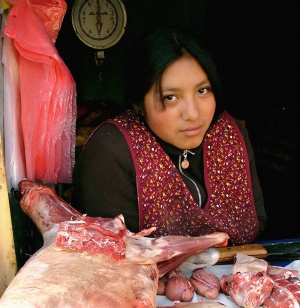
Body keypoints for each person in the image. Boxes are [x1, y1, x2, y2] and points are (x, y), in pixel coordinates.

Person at [72, 27, 267, 245]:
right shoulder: (111, 150)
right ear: (138, 104)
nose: (193, 114)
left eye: (202, 90)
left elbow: (255, 222)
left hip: (237, 276)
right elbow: (114, 254)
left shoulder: (229, 134)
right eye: (171, 97)